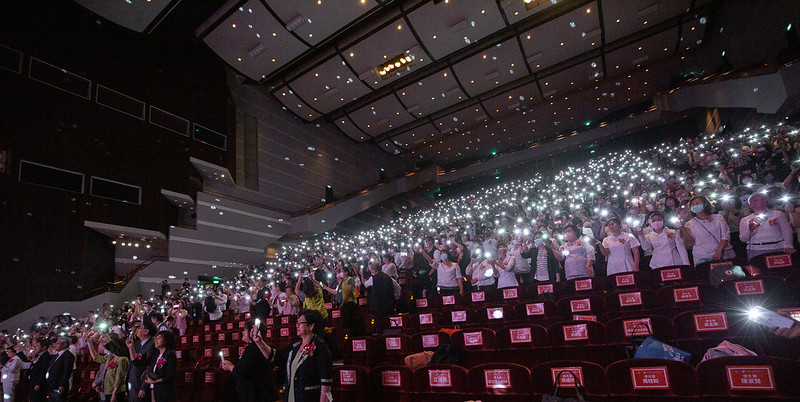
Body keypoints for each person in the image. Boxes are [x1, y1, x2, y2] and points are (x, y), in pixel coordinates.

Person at [251, 309, 333, 402]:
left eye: (300, 323)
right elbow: (274, 356)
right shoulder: (295, 346)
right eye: (297, 323)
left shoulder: (320, 348)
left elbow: (326, 382)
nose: (297, 326)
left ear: (311, 326)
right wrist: (259, 342)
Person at [220, 320, 278, 402]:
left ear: (252, 331)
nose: (243, 332)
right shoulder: (252, 348)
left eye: (245, 330)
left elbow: (242, 373)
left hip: (256, 395)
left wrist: (230, 367)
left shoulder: (254, 349)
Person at [739, 192, 796, 260]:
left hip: (777, 247)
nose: (760, 201)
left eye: (762, 199)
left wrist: (789, 245)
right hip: (756, 249)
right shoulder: (745, 220)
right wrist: (750, 229)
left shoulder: (778, 214)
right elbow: (743, 239)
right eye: (756, 200)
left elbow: (786, 231)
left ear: (767, 202)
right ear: (750, 205)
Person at [681, 196, 734, 265]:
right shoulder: (689, 224)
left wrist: (719, 251)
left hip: (721, 253)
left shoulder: (718, 218)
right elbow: (691, 242)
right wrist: (682, 228)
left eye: (697, 203)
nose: (695, 206)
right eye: (692, 205)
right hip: (701, 257)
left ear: (705, 204)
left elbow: (725, 236)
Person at [87, 333, 129, 402]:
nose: (105, 346)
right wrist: (90, 344)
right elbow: (96, 357)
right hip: (107, 390)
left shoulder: (122, 359)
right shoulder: (111, 357)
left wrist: (114, 394)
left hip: (116, 392)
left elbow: (119, 378)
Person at [126, 321, 157, 402]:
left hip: (141, 383)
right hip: (133, 382)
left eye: (139, 327)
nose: (136, 329)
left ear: (146, 331)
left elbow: (150, 367)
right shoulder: (137, 344)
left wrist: (144, 387)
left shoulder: (152, 345)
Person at [143, 331, 177, 402]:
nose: (156, 340)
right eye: (156, 338)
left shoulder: (170, 355)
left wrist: (155, 381)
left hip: (164, 391)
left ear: (166, 340)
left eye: (159, 338)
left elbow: (170, 375)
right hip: (153, 389)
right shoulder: (155, 355)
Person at [362, 262, 394, 333]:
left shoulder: (372, 279)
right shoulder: (388, 277)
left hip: (378, 306)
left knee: (380, 326)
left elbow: (365, 284)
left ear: (374, 270)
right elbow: (397, 289)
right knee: (388, 325)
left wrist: (361, 274)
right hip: (389, 304)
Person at [45, 336, 75, 402]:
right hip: (51, 384)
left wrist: (62, 384)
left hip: (58, 385)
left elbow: (67, 371)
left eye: (57, 343)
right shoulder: (56, 355)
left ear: (64, 344)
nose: (54, 345)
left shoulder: (68, 355)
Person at [23, 338, 52, 402]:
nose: (35, 348)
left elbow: (43, 370)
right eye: (34, 346)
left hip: (38, 383)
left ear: (44, 347)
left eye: (37, 346)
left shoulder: (46, 356)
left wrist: (39, 383)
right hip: (32, 381)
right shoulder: (38, 355)